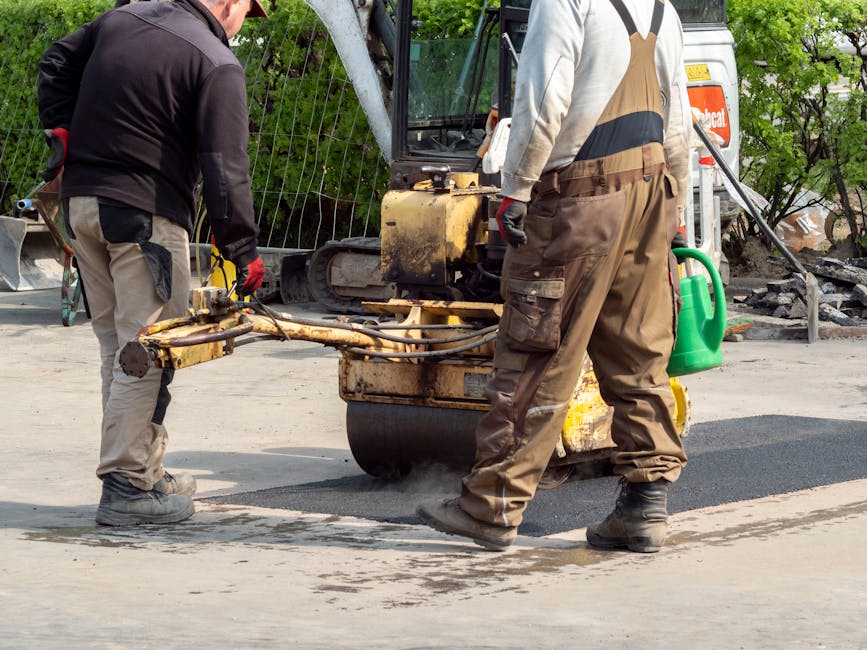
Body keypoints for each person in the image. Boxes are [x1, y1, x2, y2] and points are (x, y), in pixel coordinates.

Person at [417, 0, 693, 553]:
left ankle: (492, 504)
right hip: (651, 194)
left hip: (580, 204)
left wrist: (515, 187)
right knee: (640, 351)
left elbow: (545, 100)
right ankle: (645, 506)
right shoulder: (661, 8)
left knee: (537, 349)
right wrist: (676, 214)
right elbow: (679, 117)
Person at [36, 0, 269, 526]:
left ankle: (142, 470)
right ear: (230, 3)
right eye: (244, 14)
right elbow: (226, 168)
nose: (238, 27)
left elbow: (54, 63)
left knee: (118, 350)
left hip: (82, 207)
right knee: (149, 353)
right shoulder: (215, 61)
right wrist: (243, 249)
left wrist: (62, 132)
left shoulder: (122, 18)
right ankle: (125, 489)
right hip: (145, 218)